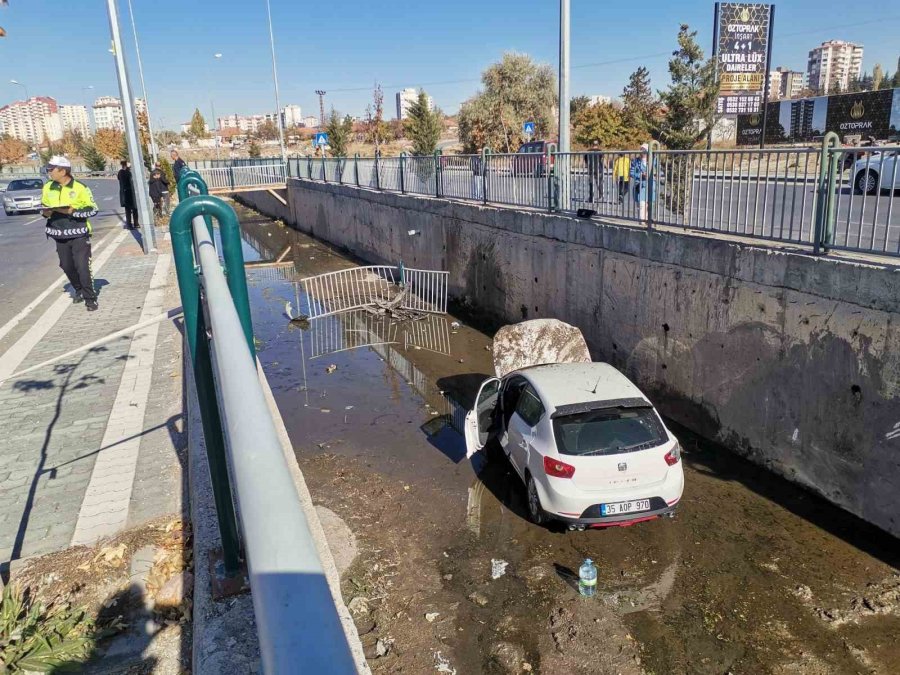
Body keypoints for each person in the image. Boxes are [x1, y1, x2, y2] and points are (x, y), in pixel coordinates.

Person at [41, 156, 100, 311]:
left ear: (63, 171)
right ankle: (78, 288)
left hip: (78, 233)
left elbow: (93, 209)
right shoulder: (48, 187)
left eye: (51, 169)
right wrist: (46, 212)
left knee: (82, 266)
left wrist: (71, 211)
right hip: (58, 233)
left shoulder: (80, 188)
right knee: (66, 265)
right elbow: (44, 209)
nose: (49, 172)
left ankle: (90, 298)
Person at [630, 144, 651, 223]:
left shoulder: (653, 160)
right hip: (639, 185)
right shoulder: (635, 161)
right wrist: (641, 175)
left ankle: (648, 221)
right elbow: (632, 173)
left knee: (649, 205)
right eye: (641, 150)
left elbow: (658, 171)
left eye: (645, 150)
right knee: (641, 204)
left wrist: (651, 174)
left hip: (650, 185)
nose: (643, 152)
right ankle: (642, 221)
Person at [117, 160, 138, 229]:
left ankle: (132, 223)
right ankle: (133, 224)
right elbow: (128, 179)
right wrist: (129, 169)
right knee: (132, 208)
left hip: (125, 192)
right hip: (128, 192)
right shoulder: (125, 172)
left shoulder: (121, 172)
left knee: (130, 209)